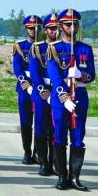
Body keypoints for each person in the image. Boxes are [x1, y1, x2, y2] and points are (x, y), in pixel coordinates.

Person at [46, 8, 94, 191]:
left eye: (74, 24)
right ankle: (62, 177)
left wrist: (82, 75)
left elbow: (92, 75)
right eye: (68, 24)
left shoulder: (86, 48)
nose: (72, 27)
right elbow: (54, 75)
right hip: (61, 98)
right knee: (59, 137)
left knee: (78, 137)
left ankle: (75, 177)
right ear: (61, 26)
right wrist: (64, 96)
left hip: (80, 95)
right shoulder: (54, 49)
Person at [29, 13, 60, 177]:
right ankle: (43, 162)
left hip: (58, 93)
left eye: (56, 28)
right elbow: (34, 73)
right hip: (41, 94)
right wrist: (43, 90)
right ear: (46, 29)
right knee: (41, 128)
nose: (54, 31)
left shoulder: (63, 47)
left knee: (56, 129)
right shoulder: (37, 48)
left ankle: (55, 162)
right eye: (51, 28)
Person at [12, 14, 41, 164]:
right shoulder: (20, 46)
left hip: (41, 87)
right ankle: (27, 152)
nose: (33, 30)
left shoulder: (44, 46)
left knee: (41, 122)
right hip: (25, 88)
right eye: (30, 28)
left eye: (35, 28)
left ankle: (38, 152)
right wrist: (26, 84)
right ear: (26, 29)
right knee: (26, 122)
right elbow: (17, 69)